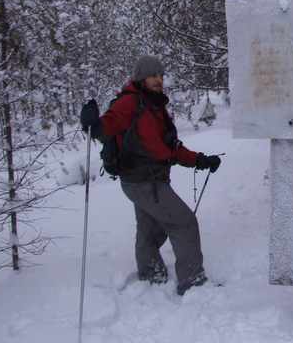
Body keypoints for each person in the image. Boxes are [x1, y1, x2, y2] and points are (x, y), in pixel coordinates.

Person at [80, 55, 223, 296]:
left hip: (150, 180)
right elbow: (107, 127)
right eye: (153, 76)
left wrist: (198, 159)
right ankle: (192, 281)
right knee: (183, 222)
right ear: (141, 78)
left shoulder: (154, 106)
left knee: (150, 228)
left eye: (160, 75)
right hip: (144, 181)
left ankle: (150, 273)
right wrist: (93, 124)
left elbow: (169, 146)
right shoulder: (129, 103)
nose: (158, 80)